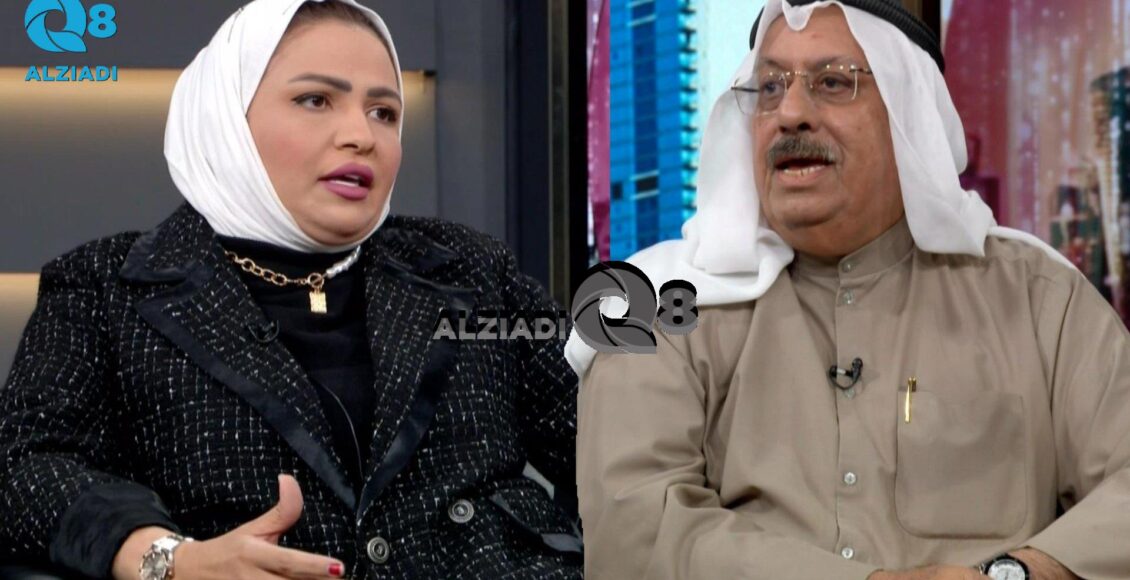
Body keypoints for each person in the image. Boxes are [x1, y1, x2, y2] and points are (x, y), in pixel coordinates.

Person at [0, 1, 581, 579]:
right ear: (227, 118)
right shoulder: (103, 286)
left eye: (383, 112)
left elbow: (600, 428)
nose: (361, 136)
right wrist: (169, 559)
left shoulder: (473, 269)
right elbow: (25, 470)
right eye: (315, 100)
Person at [568, 1, 1130, 579]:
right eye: (770, 88)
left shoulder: (1037, 301)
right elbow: (636, 533)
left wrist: (1022, 572)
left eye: (833, 83)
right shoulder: (658, 308)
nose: (790, 114)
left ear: (909, 117)